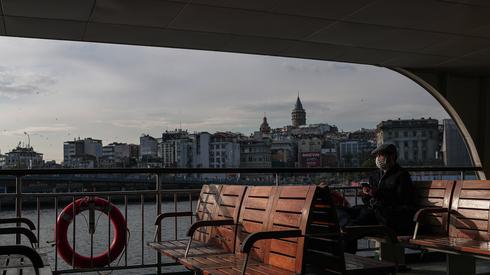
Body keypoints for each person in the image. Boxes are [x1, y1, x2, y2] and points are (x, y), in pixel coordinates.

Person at [336, 143, 415, 252]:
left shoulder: (402, 176)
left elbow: (402, 202)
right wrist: (366, 195)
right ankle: (348, 227)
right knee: (338, 210)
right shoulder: (375, 175)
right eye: (376, 156)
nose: (377, 158)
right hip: (371, 210)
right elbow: (369, 201)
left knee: (350, 231)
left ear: (391, 156)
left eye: (380, 155)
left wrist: (378, 194)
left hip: (384, 215)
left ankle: (349, 232)